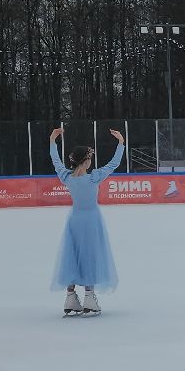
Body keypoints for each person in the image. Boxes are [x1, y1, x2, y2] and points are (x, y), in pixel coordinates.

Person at [49, 126, 126, 316]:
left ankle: (70, 297)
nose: (91, 161)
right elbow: (114, 164)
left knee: (73, 255)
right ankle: (89, 297)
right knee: (89, 255)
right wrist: (121, 143)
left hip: (75, 220)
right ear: (85, 162)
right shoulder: (94, 178)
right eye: (89, 158)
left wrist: (52, 141)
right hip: (91, 220)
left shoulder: (66, 177)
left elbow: (56, 161)